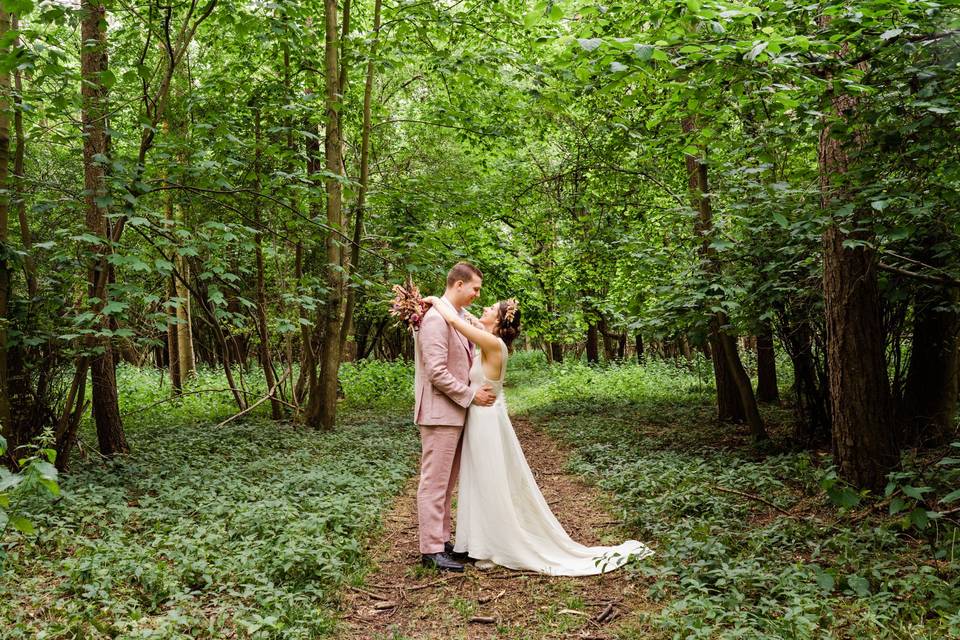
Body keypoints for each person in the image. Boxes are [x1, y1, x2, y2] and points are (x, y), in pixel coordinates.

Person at [422, 294, 655, 575]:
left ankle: (494, 544)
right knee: (477, 480)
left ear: (497, 320)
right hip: (479, 418)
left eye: (491, 308)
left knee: (488, 480)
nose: (483, 307)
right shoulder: (490, 337)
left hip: (485, 421)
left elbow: (454, 321)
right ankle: (476, 542)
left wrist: (438, 301)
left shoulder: (492, 343)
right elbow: (468, 319)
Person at [414, 263, 496, 572]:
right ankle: (430, 549)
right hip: (439, 413)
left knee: (447, 484)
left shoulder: (457, 316)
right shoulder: (436, 320)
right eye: (475, 288)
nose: (477, 294)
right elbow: (436, 372)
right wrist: (471, 394)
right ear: (458, 284)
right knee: (434, 483)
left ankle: (442, 540)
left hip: (455, 413)